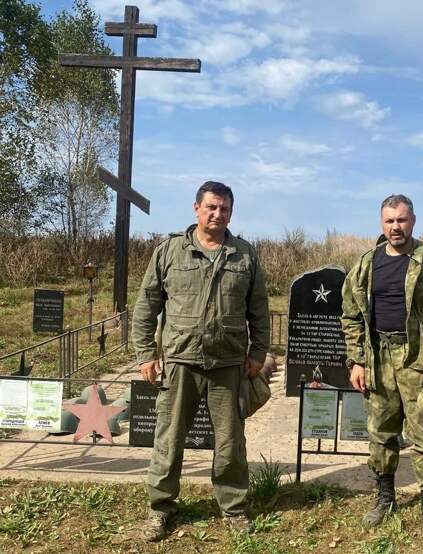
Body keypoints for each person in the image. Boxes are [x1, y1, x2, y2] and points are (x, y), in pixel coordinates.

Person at [132, 181, 270, 541]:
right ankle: (160, 509)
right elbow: (147, 306)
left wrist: (257, 353)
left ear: (231, 212)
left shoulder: (245, 255)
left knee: (230, 443)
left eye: (224, 209)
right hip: (180, 361)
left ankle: (234, 508)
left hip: (227, 363)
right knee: (169, 439)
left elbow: (259, 310)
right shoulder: (170, 251)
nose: (217, 214)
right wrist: (146, 353)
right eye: (211, 207)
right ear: (196, 209)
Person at [341, 194, 423, 553]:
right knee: (381, 432)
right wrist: (356, 360)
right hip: (378, 360)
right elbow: (350, 314)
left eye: (403, 220)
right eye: (390, 220)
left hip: (418, 360)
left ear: (413, 221)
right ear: (382, 223)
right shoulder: (366, 264)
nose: (396, 226)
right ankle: (385, 497)